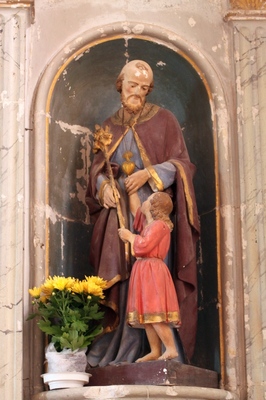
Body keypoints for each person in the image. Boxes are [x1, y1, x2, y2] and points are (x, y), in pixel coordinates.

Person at [85, 59, 199, 367]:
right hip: (118, 213)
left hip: (152, 211)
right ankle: (120, 345)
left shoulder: (165, 120)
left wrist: (150, 173)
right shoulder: (108, 127)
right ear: (120, 85)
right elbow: (97, 169)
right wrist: (103, 187)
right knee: (122, 278)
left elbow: (183, 164)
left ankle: (165, 350)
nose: (138, 93)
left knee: (153, 282)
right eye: (132, 86)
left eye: (144, 88)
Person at [118, 191, 181, 362]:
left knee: (155, 311)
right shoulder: (148, 225)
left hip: (152, 271)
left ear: (154, 207)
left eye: (148, 200)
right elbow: (137, 213)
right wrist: (129, 191)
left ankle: (171, 348)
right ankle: (155, 351)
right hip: (144, 270)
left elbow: (144, 246)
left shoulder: (159, 226)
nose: (144, 202)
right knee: (146, 314)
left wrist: (131, 237)